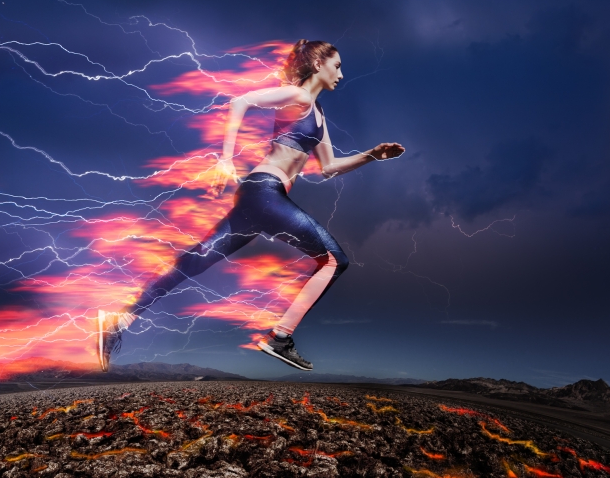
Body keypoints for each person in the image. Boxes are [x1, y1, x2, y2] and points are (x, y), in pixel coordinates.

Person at [98, 39, 404, 371]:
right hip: (266, 192)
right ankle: (280, 338)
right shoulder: (298, 97)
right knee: (334, 260)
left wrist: (371, 156)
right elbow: (241, 101)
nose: (341, 74)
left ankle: (118, 321)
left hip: (259, 198)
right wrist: (226, 158)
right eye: (337, 65)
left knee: (194, 261)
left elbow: (328, 167)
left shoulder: (317, 113)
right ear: (319, 65)